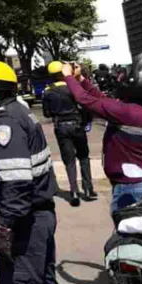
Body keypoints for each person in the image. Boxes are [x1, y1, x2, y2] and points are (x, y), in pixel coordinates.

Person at [0, 60, 66, 284]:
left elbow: (16, 179)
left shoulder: (8, 122)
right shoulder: (20, 111)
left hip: (25, 220)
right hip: (40, 213)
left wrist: (7, 222)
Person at [60, 50, 142, 215]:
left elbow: (85, 100)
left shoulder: (128, 112)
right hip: (131, 185)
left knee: (129, 236)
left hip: (131, 189)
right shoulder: (133, 108)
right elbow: (102, 99)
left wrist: (67, 76)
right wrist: (80, 79)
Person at [42, 61, 97, 206]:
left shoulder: (48, 91)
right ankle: (88, 189)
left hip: (61, 128)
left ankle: (73, 191)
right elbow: (85, 105)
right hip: (77, 126)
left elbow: (46, 113)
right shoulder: (73, 88)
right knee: (84, 156)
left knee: (69, 160)